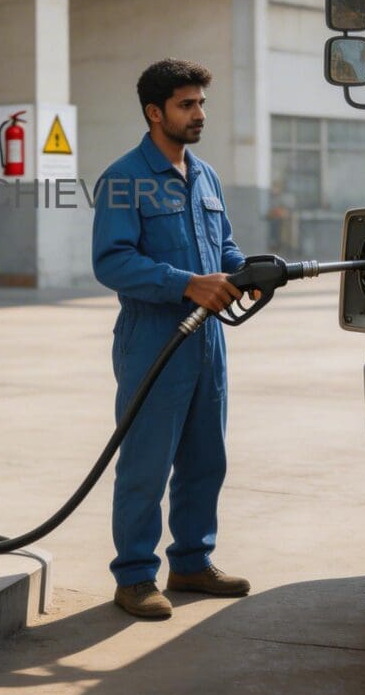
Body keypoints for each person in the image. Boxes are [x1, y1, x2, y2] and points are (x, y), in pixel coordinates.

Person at [92, 58, 252, 620]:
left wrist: (247, 272)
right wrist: (187, 284)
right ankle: (135, 576)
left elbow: (224, 246)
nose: (199, 114)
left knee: (207, 458)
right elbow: (111, 262)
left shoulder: (206, 177)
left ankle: (190, 561)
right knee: (146, 463)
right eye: (187, 105)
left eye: (202, 103)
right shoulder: (121, 179)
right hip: (153, 338)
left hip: (208, 341)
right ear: (154, 112)